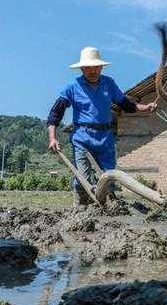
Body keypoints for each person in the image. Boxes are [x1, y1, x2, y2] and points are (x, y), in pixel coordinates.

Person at [47, 47, 157, 205]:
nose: (92, 71)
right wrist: (52, 138)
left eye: (95, 67)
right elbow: (55, 114)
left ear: (101, 67)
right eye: (88, 68)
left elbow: (125, 104)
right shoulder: (72, 86)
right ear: (81, 68)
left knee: (109, 176)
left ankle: (109, 206)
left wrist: (144, 107)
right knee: (83, 179)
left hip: (105, 137)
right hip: (82, 138)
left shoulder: (109, 83)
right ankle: (80, 207)